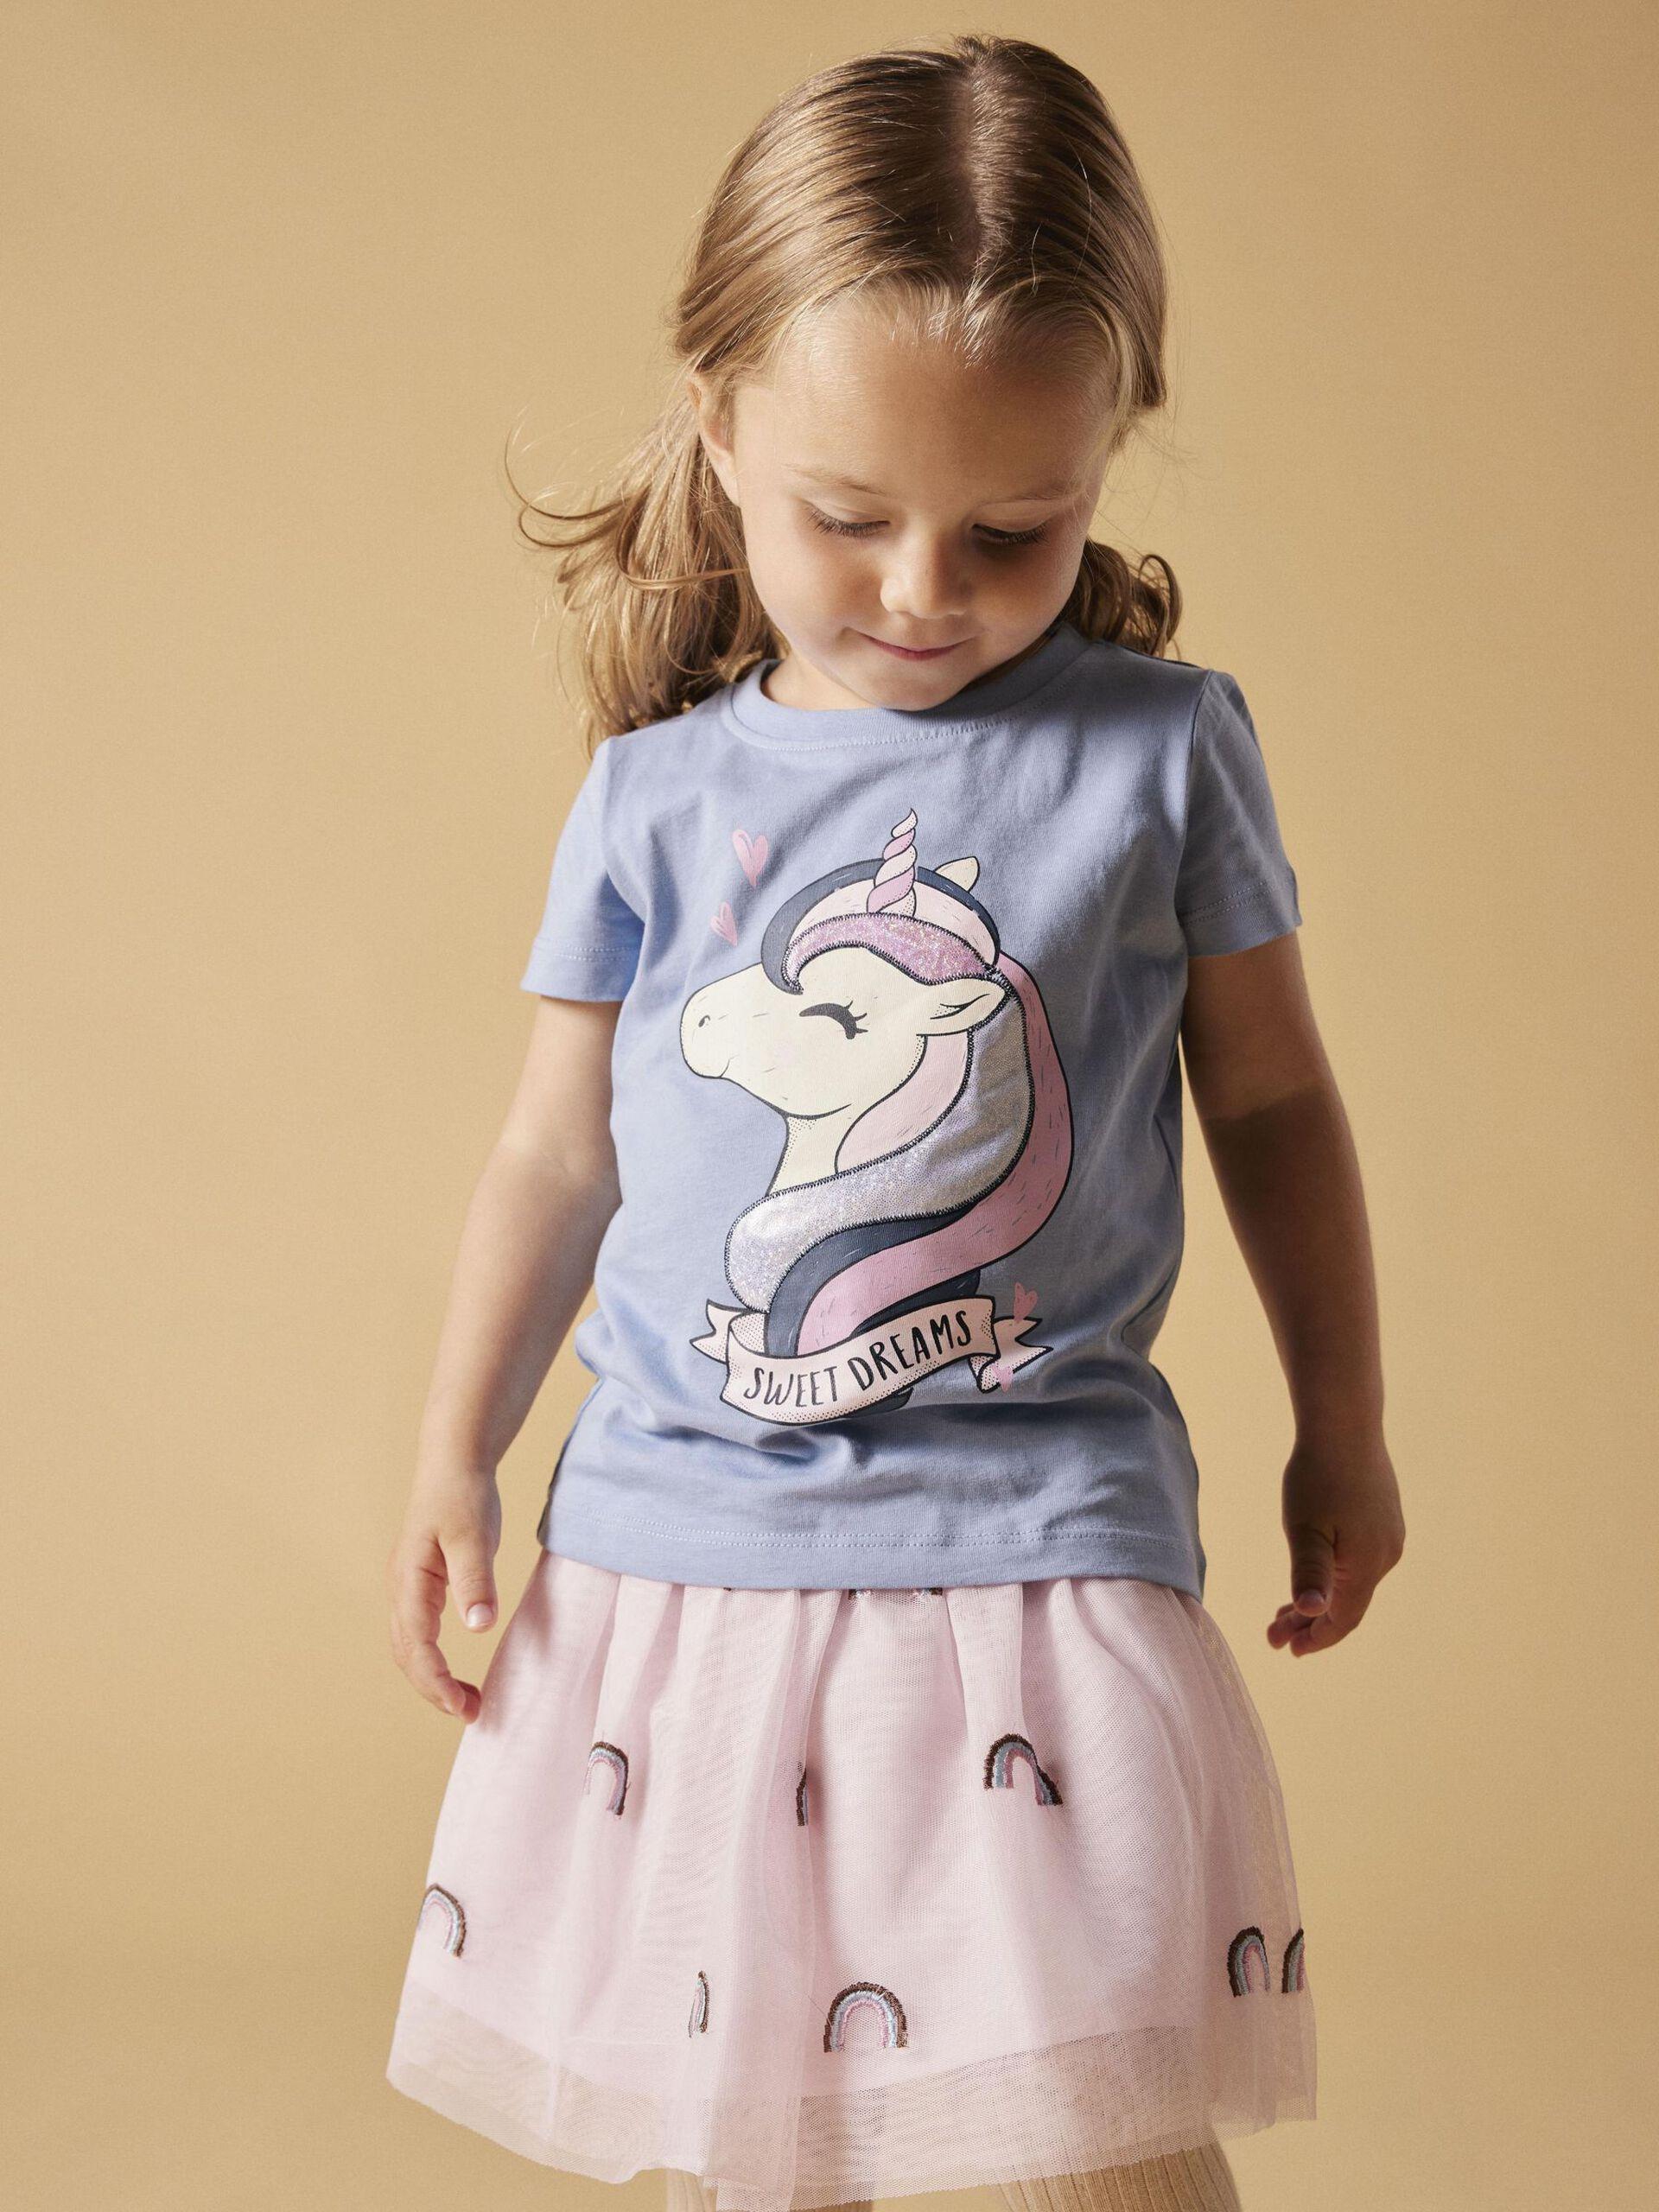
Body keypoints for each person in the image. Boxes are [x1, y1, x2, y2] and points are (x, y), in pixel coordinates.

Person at [383, 32, 1405, 2212]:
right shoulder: (652, 797)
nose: (926, 589)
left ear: (1108, 448)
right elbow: (559, 1150)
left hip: (1037, 1559)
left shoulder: (1163, 753)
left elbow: (1275, 1095)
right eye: (847, 520)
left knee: (1093, 2148)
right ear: (721, 422)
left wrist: (1347, 1417)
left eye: (1015, 529)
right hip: (684, 1567)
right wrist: (458, 1436)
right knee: (739, 2151)